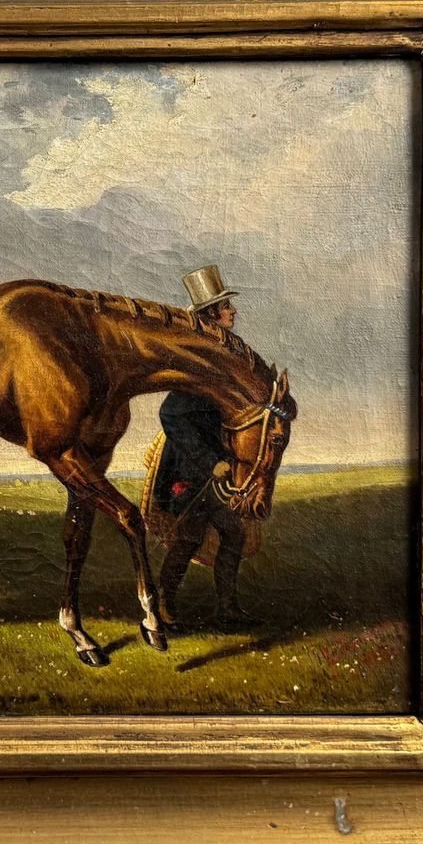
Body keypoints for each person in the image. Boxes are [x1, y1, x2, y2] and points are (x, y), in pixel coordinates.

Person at [153, 265, 251, 627]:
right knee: (189, 538)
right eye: (226, 307)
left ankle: (227, 609)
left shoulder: (221, 357)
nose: (233, 311)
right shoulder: (198, 364)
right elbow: (170, 415)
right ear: (211, 315)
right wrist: (210, 462)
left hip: (216, 469)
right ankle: (163, 606)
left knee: (233, 533)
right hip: (191, 471)